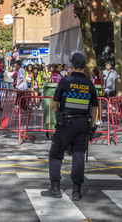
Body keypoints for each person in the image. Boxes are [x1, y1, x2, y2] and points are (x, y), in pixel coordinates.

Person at [41, 53, 98, 201]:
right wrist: (92, 126)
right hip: (82, 124)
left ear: (72, 65)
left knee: (55, 154)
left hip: (66, 123)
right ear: (84, 66)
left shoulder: (65, 81)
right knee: (78, 155)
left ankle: (55, 189)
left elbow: (54, 104)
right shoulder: (89, 84)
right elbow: (94, 109)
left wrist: (58, 115)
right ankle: (76, 192)